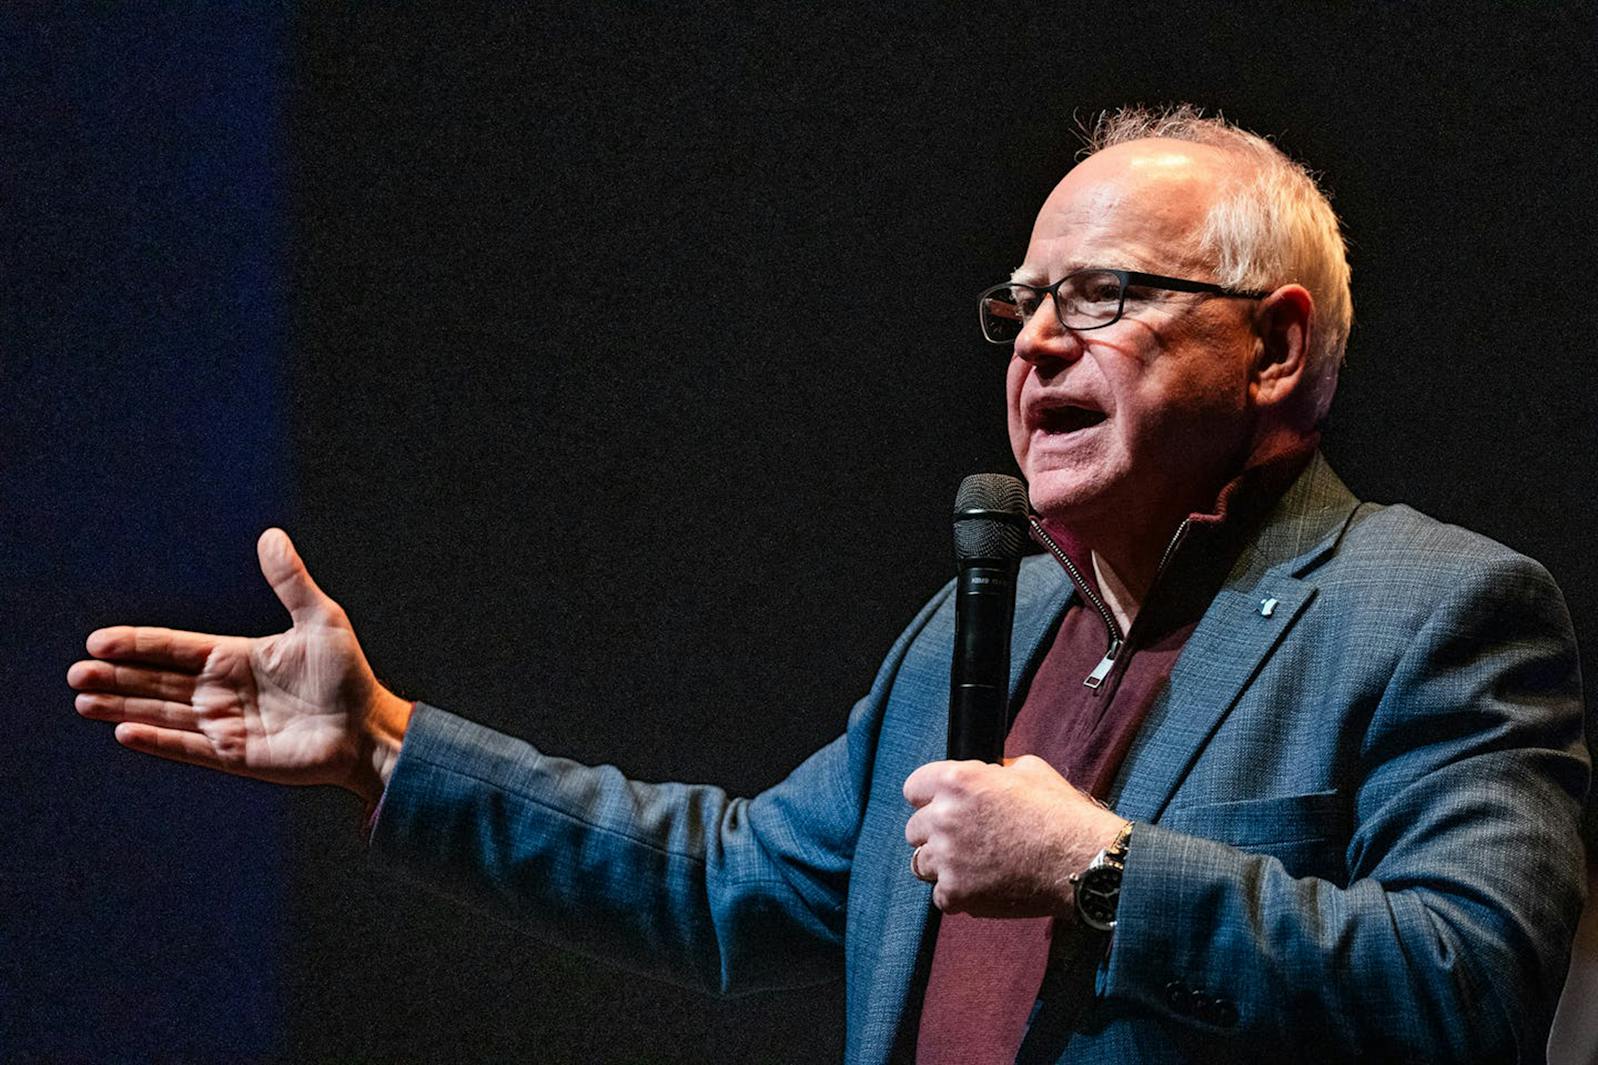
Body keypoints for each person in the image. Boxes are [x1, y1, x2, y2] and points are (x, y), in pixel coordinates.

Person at [68, 105, 1587, 1063]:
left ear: (1272, 346)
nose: (1037, 341)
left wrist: (1101, 869)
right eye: (1023, 305)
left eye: (1106, 295)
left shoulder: (1434, 612)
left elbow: (1469, 987)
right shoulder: (982, 629)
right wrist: (385, 744)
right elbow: (727, 884)